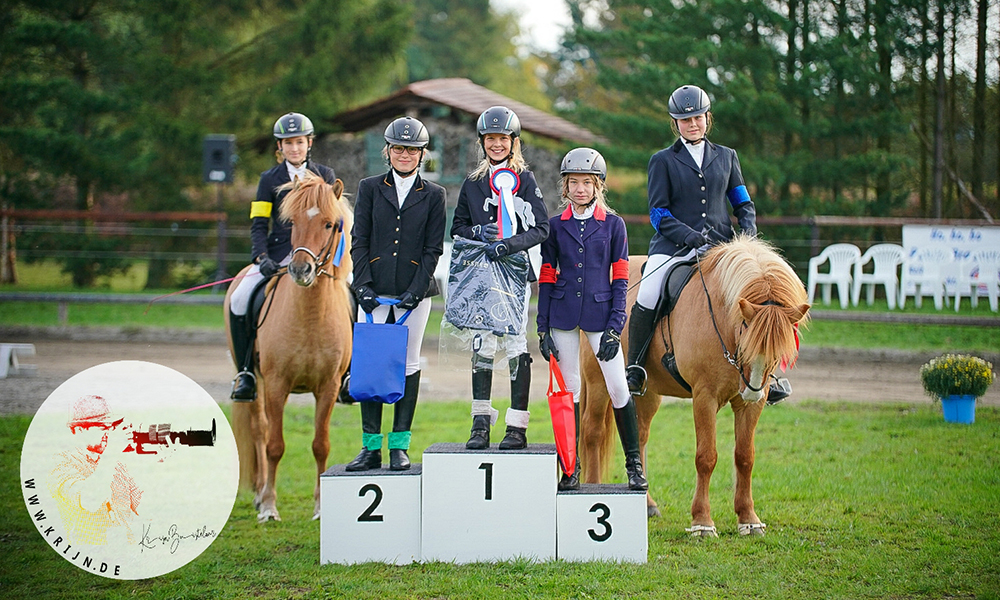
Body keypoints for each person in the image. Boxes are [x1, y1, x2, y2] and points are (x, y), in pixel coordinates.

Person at [624, 85, 789, 402]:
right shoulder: (662, 161)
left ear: (707, 118)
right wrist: (690, 237)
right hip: (674, 247)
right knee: (648, 290)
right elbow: (658, 214)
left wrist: (748, 237)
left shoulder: (727, 157)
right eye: (685, 120)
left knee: (766, 300)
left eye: (698, 117)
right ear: (676, 123)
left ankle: (771, 375)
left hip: (725, 250)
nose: (693, 124)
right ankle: (635, 368)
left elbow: (742, 204)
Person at [537, 148, 648, 491]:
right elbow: (547, 276)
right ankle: (570, 467)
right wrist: (543, 327)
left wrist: (616, 325)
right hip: (563, 316)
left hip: (602, 318)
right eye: (574, 183)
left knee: (618, 387)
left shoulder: (614, 226)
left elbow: (619, 279)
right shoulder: (555, 227)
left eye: (587, 182)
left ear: (598, 185)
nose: (580, 188)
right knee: (568, 391)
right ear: (565, 187)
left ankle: (633, 466)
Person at [346, 116, 446, 471]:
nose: (405, 155)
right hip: (373, 291)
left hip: (413, 294)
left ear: (422, 155)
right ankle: (370, 446)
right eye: (399, 148)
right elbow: (359, 239)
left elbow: (433, 248)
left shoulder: (435, 195)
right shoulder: (370, 187)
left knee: (407, 364)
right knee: (371, 364)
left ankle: (399, 445)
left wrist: (416, 291)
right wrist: (363, 286)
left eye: (413, 150)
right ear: (388, 151)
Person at [451, 106, 550, 450]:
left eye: (502, 139)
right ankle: (480, 422)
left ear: (513, 142)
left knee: (514, 342)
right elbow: (458, 227)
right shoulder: (473, 184)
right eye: (490, 139)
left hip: (514, 272)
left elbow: (541, 228)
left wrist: (509, 245)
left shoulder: (525, 180)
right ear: (483, 142)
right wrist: (479, 231)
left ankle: (517, 424)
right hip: (481, 273)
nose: (496, 144)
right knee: (482, 342)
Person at [228, 112, 337, 401]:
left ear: (309, 143)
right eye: (288, 144)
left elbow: (333, 223)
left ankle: (346, 371)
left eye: (299, 142)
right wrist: (261, 257)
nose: (294, 149)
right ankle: (246, 373)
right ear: (280, 147)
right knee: (239, 299)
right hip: (278, 257)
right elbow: (259, 223)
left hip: (317, 258)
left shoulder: (325, 176)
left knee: (352, 296)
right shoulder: (268, 180)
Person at [49, 395, 141, 545]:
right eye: (102, 427)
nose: (109, 433)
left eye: (111, 427)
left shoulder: (107, 460)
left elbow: (140, 507)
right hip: (85, 551)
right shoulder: (60, 464)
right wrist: (112, 455)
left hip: (123, 552)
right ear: (79, 430)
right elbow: (89, 501)